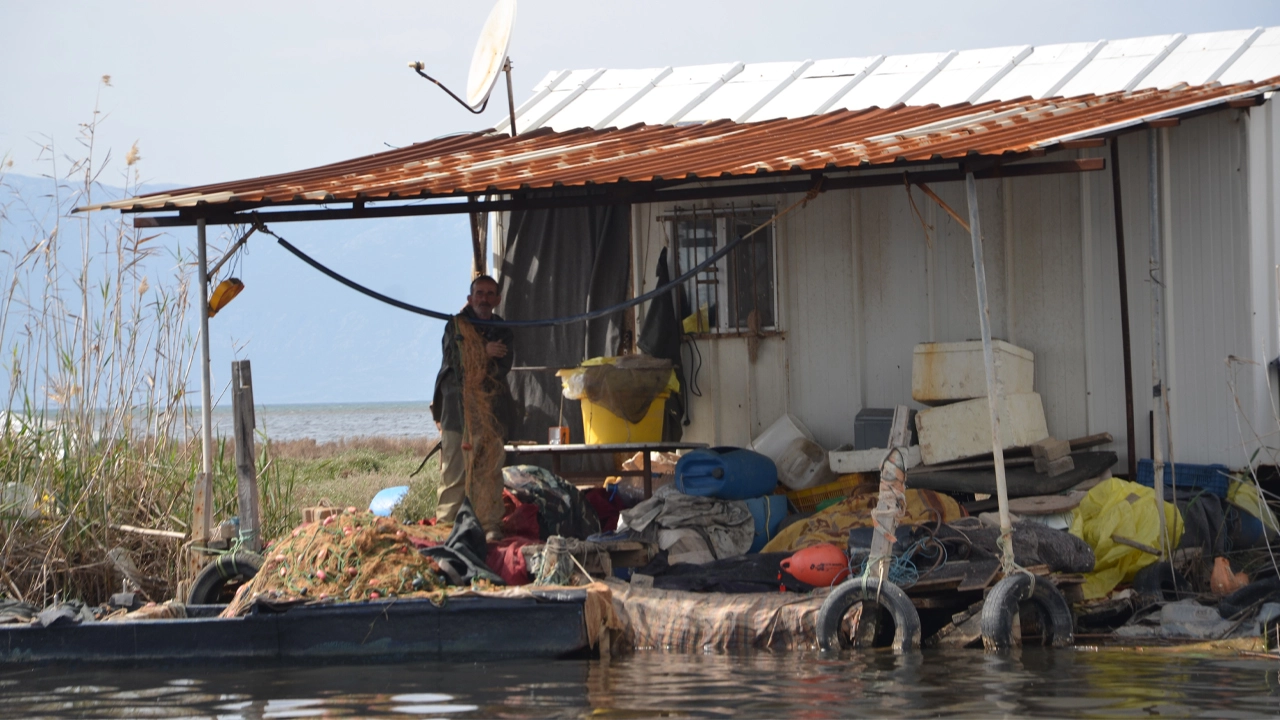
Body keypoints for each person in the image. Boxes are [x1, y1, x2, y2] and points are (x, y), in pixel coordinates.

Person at [430, 275, 515, 541]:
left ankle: (489, 526)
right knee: (455, 473)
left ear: (498, 300)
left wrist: (478, 354)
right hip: (458, 413)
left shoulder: (503, 329)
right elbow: (455, 361)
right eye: (480, 293)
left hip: (491, 413)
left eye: (490, 294)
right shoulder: (455, 326)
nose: (484, 299)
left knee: (489, 473)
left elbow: (502, 366)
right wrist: (484, 351)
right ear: (470, 298)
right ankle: (447, 528)